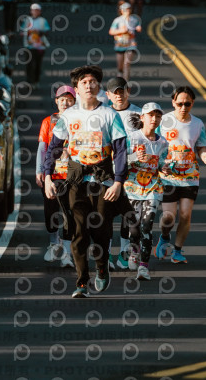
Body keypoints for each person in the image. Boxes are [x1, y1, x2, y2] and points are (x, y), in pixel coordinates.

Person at [44, 65, 128, 298]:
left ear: (98, 86)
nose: (89, 86)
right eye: (83, 82)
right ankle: (82, 282)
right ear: (77, 89)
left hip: (102, 179)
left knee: (100, 230)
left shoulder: (110, 115)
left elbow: (121, 150)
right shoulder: (68, 116)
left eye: (92, 82)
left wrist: (118, 182)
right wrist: (48, 176)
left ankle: (101, 267)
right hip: (76, 179)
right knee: (79, 230)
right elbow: (54, 148)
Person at [155, 86, 206, 264]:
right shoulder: (164, 121)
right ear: (173, 102)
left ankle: (177, 251)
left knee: (186, 214)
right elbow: (153, 142)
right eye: (180, 103)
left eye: (187, 104)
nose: (183, 107)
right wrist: (159, 164)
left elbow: (201, 145)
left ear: (192, 103)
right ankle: (164, 237)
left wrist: (204, 155)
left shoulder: (198, 123)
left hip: (190, 176)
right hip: (168, 176)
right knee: (168, 217)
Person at [124, 103, 169, 280]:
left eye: (158, 116)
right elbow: (117, 161)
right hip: (132, 188)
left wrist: (164, 168)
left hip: (153, 188)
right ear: (142, 118)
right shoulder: (132, 138)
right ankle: (134, 251)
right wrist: (134, 157)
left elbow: (162, 163)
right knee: (134, 228)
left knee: (147, 225)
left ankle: (144, 266)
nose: (154, 119)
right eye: (151, 115)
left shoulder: (163, 142)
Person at [36, 85, 77, 268]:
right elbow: (42, 148)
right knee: (50, 210)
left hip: (72, 174)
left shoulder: (80, 120)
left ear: (75, 102)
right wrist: (39, 171)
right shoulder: (48, 122)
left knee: (69, 212)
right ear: (56, 101)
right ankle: (54, 242)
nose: (65, 103)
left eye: (69, 100)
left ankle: (67, 252)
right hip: (52, 174)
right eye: (62, 100)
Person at [106, 76, 141, 271]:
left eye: (122, 91)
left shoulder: (139, 114)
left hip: (134, 171)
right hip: (108, 171)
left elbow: (150, 138)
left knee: (129, 214)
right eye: (115, 92)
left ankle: (125, 252)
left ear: (129, 91)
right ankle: (106, 255)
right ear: (108, 95)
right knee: (107, 214)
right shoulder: (103, 113)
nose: (119, 95)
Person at [109, 2, 141, 81]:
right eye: (125, 10)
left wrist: (138, 28)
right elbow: (111, 31)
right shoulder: (117, 20)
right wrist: (121, 31)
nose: (127, 11)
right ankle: (119, 80)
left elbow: (138, 26)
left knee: (127, 64)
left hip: (131, 44)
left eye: (129, 9)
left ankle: (126, 82)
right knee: (120, 66)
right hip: (120, 44)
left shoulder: (134, 19)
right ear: (121, 11)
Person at [22, 3, 51, 90]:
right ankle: (29, 81)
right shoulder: (27, 20)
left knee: (37, 64)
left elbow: (47, 32)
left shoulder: (43, 21)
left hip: (40, 47)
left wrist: (39, 32)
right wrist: (27, 33)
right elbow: (23, 31)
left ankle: (36, 81)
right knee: (29, 64)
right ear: (31, 11)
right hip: (29, 46)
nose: (35, 12)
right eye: (33, 10)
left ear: (40, 11)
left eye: (37, 10)